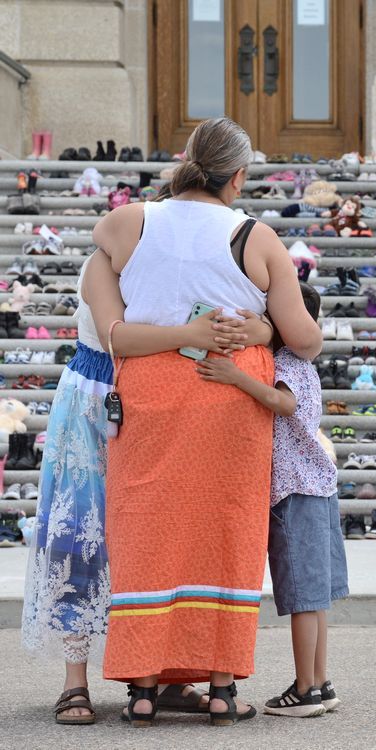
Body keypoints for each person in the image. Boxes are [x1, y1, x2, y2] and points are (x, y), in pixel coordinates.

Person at [87, 116, 323, 727]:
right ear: (238, 177)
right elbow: (304, 339)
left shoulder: (125, 222)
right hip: (229, 397)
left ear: (185, 161)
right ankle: (221, 686)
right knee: (227, 529)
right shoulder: (257, 237)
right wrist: (265, 327)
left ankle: (142, 686)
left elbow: (108, 316)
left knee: (147, 528)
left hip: (150, 392)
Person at [21, 254, 270, 725]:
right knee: (81, 532)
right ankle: (76, 681)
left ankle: (168, 676)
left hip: (159, 400)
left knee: (160, 537)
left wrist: (261, 331)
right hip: (97, 393)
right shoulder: (106, 264)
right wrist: (192, 335)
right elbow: (117, 336)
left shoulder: (185, 264)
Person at [196, 282, 347, 718]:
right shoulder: (304, 361)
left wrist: (235, 377)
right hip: (316, 483)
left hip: (293, 487)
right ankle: (319, 683)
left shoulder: (287, 361)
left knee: (301, 594)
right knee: (316, 596)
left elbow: (283, 404)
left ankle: (304, 690)